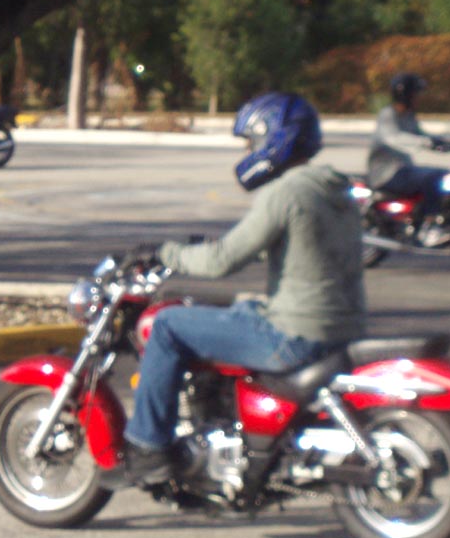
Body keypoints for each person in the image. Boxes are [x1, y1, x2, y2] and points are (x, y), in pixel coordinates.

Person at [121, 92, 367, 483]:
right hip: (343, 329)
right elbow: (295, 248)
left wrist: (165, 254)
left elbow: (222, 261)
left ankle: (148, 447)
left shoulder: (285, 192)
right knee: (239, 309)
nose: (249, 151)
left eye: (252, 141)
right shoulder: (336, 191)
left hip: (295, 335)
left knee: (168, 325)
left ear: (275, 139)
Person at [367, 72, 450, 247]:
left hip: (403, 169)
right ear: (406, 95)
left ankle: (441, 221)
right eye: (416, 94)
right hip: (387, 173)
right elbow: (394, 138)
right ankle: (430, 226)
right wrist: (426, 142)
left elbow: (420, 135)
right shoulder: (388, 115)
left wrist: (449, 144)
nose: (418, 98)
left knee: (446, 175)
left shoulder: (408, 116)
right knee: (431, 178)